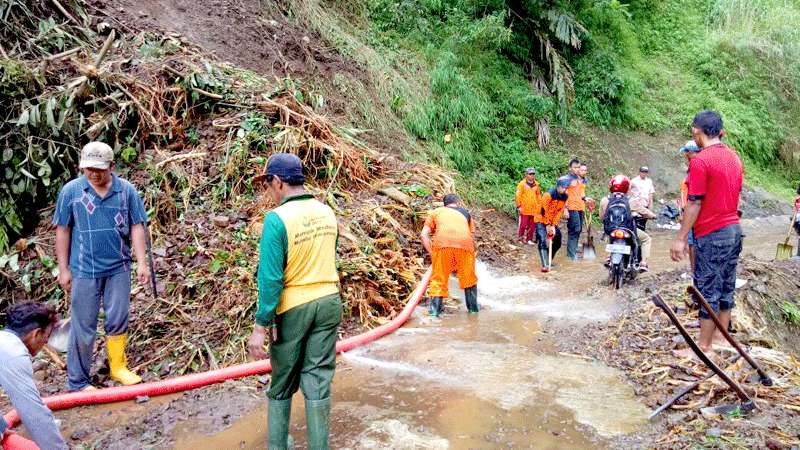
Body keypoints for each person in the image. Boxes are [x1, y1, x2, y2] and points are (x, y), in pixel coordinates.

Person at [248, 153, 341, 450]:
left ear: (278, 181)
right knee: (317, 376)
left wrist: (261, 326)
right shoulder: (327, 212)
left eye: (268, 185)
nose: (268, 192)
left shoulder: (277, 220)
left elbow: (271, 279)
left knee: (283, 379)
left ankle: (277, 445)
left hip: (294, 308)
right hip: (329, 302)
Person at [53, 141, 149, 391]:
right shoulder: (71, 192)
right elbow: (62, 230)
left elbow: (137, 226)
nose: (94, 174)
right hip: (84, 269)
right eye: (88, 169)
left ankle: (118, 367)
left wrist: (142, 263)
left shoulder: (126, 191)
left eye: (99, 169)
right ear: (81, 167)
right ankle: (78, 381)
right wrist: (63, 269)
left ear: (112, 167)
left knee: (118, 319)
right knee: (83, 324)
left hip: (119, 267)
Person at [671, 110, 743, 357]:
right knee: (726, 284)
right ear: (721, 131)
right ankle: (722, 340)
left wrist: (680, 238)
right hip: (734, 230)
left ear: (696, 131)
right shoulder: (734, 157)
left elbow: (694, 202)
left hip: (713, 232)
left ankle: (704, 347)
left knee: (707, 287)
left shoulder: (701, 161)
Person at [0, 302, 67, 449]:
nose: (45, 342)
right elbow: (34, 414)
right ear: (36, 333)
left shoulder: (4, 342)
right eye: (46, 336)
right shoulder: (13, 353)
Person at [421, 194, 479, 316]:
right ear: (458, 203)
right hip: (465, 246)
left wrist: (432, 254)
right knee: (469, 279)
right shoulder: (465, 213)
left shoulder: (436, 212)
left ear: (445, 204)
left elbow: (424, 234)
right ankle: (473, 312)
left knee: (439, 279)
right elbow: (472, 237)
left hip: (442, 246)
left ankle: (434, 315)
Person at [599, 175, 654, 272]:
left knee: (610, 236)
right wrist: (653, 216)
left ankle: (609, 257)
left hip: (611, 230)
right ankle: (643, 262)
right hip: (627, 229)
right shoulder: (631, 201)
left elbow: (602, 217)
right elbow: (645, 212)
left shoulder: (605, 200)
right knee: (646, 239)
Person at [536, 177, 570, 272]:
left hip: (551, 221)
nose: (565, 189)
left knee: (558, 240)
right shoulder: (549, 195)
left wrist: (553, 225)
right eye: (564, 187)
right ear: (558, 187)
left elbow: (559, 212)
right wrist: (547, 225)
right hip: (541, 219)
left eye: (566, 188)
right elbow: (543, 211)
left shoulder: (564, 197)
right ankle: (544, 265)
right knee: (542, 240)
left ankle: (548, 259)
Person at [677, 141, 702, 272]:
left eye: (686, 152)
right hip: (691, 209)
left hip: (693, 211)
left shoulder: (696, 168)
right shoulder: (694, 168)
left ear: (691, 152)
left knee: (692, 242)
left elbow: (694, 199)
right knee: (692, 242)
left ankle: (695, 273)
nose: (685, 156)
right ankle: (695, 272)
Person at [565, 159, 593, 260]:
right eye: (576, 168)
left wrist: (586, 200)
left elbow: (581, 194)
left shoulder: (581, 180)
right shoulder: (568, 179)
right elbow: (564, 194)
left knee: (579, 229)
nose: (579, 170)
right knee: (574, 230)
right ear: (571, 168)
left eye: (579, 167)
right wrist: (565, 208)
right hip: (572, 207)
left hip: (580, 207)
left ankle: (574, 250)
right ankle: (571, 255)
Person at [515, 168, 542, 245]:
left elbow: (538, 196)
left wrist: (539, 206)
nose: (532, 176)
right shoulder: (522, 184)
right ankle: (520, 238)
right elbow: (518, 195)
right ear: (526, 175)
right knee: (523, 225)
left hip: (534, 209)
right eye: (530, 174)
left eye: (533, 174)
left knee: (532, 226)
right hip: (524, 209)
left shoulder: (536, 184)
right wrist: (519, 206)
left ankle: (529, 239)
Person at [629, 166, 655, 230]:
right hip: (636, 205)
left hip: (645, 204)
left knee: (643, 223)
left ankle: (641, 235)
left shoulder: (649, 181)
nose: (644, 173)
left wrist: (650, 207)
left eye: (645, 172)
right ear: (639, 172)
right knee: (636, 221)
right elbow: (627, 189)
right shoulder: (634, 181)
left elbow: (650, 194)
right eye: (642, 172)